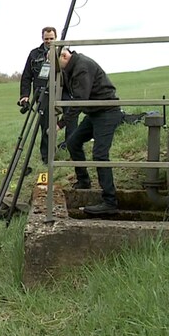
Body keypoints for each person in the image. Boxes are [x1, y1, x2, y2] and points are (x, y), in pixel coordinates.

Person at [57, 47, 124, 215]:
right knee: (73, 143)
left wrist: (61, 123)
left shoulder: (82, 67)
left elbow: (80, 99)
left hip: (107, 111)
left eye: (56, 64)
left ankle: (110, 201)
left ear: (64, 56)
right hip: (94, 112)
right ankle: (84, 181)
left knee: (100, 155)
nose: (56, 70)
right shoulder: (70, 68)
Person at [19, 26, 76, 165]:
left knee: (72, 115)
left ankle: (72, 149)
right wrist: (24, 95)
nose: (49, 41)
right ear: (42, 38)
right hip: (43, 93)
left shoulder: (65, 52)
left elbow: (74, 72)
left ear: (55, 38)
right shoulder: (34, 55)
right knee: (45, 125)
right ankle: (47, 157)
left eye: (51, 38)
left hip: (64, 91)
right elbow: (26, 76)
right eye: (46, 39)